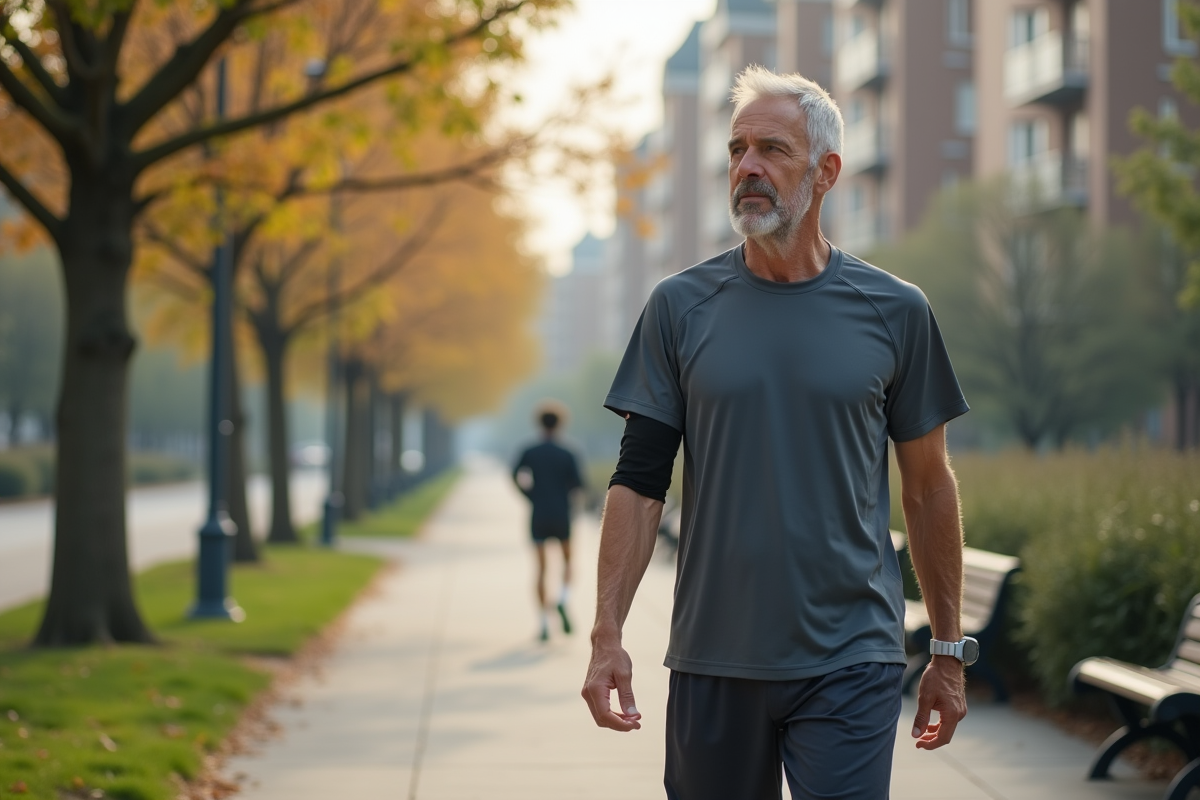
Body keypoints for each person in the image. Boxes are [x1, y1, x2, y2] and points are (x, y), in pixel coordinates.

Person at [581, 66, 973, 800]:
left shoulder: (896, 311)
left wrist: (947, 653)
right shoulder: (679, 308)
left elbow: (927, 489)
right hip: (712, 656)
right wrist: (608, 633)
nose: (747, 168)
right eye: (736, 150)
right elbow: (638, 483)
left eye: (771, 150)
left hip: (851, 658)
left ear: (826, 171)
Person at [513, 403, 585, 642]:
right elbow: (578, 485)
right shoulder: (568, 453)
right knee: (567, 562)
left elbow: (515, 474)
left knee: (541, 569)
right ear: (560, 424)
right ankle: (563, 599)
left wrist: (530, 495)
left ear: (539, 423)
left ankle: (543, 623)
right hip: (561, 515)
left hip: (539, 514)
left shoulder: (530, 450)